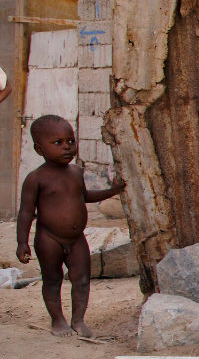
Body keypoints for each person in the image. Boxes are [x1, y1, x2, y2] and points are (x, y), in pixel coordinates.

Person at [16, 115, 125, 337]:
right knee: (53, 279)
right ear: (39, 149)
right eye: (58, 143)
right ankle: (57, 320)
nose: (67, 147)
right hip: (49, 239)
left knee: (82, 279)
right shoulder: (36, 178)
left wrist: (111, 192)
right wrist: (22, 242)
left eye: (71, 141)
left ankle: (78, 321)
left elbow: (84, 196)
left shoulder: (76, 171)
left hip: (76, 239)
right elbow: (26, 212)